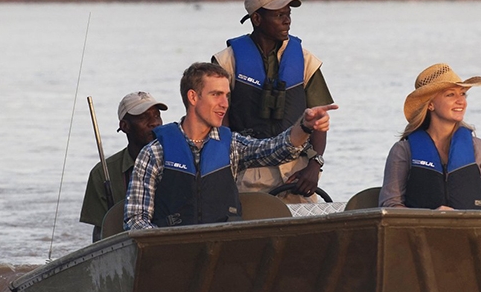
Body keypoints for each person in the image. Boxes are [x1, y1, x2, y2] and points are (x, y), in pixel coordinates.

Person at [124, 62, 337, 230]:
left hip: (225, 253)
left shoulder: (232, 145)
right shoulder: (154, 153)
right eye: (216, 94)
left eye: (227, 95)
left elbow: (277, 149)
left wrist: (305, 126)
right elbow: (136, 220)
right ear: (193, 97)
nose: (225, 103)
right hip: (174, 256)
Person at [212, 0, 334, 203]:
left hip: (298, 174)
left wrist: (314, 167)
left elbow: (319, 119)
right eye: (279, 15)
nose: (286, 20)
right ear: (257, 19)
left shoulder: (306, 61)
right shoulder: (225, 62)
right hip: (248, 174)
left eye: (288, 14)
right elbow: (219, 123)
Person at [379, 63, 481, 210]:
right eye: (450, 95)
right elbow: (390, 206)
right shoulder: (403, 150)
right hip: (419, 232)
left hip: (473, 232)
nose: (461, 101)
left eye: (462, 94)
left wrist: (460, 220)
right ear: (430, 104)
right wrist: (433, 217)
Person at [79, 91, 167, 241]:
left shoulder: (176, 161)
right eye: (143, 117)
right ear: (124, 126)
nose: (154, 123)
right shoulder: (102, 173)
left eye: (157, 116)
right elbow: (100, 234)